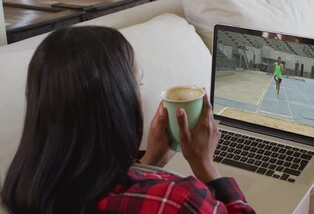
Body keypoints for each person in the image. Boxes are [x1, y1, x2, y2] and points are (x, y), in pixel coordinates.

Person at [0, 26, 255, 214]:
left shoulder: (23, 192)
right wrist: (206, 166)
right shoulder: (178, 200)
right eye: (138, 83)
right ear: (117, 103)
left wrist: (149, 162)